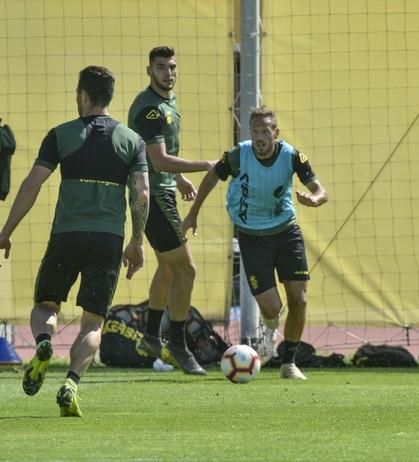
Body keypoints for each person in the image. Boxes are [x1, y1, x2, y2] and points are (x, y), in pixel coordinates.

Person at [0, 66, 149, 416]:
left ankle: (43, 343)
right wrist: (137, 241)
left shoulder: (60, 135)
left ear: (82, 95)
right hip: (109, 240)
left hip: (66, 235)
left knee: (45, 306)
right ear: (109, 97)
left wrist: (6, 231)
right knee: (93, 322)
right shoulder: (132, 140)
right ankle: (71, 382)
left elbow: (31, 184)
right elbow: (141, 193)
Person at [181, 106, 328, 380]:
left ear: (276, 132)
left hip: (286, 231)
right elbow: (212, 176)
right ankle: (269, 329)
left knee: (300, 299)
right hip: (251, 235)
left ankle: (289, 363)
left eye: (265, 131)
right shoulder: (239, 155)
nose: (260, 137)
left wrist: (315, 199)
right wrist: (193, 213)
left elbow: (321, 190)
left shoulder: (292, 156)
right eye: (255, 131)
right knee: (272, 308)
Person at [128, 46, 214, 375]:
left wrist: (178, 180)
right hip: (152, 196)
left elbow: (161, 156)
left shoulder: (168, 102)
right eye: (161, 67)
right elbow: (158, 160)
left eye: (172, 67)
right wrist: (206, 165)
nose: (168, 73)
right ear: (149, 70)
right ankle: (177, 343)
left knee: (168, 268)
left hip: (163, 191)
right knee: (186, 271)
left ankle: (151, 336)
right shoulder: (150, 109)